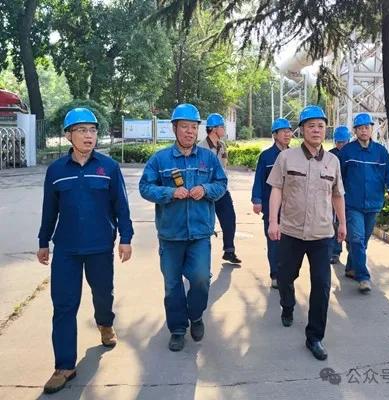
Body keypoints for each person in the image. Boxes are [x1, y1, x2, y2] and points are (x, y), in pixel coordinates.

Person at [37, 107, 133, 394]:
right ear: (69, 136)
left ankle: (105, 323)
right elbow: (49, 210)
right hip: (66, 248)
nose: (88, 135)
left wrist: (126, 238)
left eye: (92, 130)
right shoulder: (56, 171)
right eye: (81, 130)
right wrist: (43, 241)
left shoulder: (108, 167)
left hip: (100, 246)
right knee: (64, 305)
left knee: (103, 293)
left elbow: (121, 206)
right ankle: (64, 365)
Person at [139, 104, 227, 351]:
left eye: (193, 127)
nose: (190, 131)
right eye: (184, 127)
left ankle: (196, 315)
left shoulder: (208, 158)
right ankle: (177, 329)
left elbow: (221, 184)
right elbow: (145, 187)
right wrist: (170, 193)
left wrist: (206, 189)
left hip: (200, 233)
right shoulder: (160, 159)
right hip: (171, 234)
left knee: (200, 279)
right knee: (172, 285)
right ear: (174, 128)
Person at [267, 105, 346, 361]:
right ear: (301, 130)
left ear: (325, 130)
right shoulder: (286, 158)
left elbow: (337, 195)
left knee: (322, 285)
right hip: (291, 231)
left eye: (320, 126)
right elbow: (276, 189)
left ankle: (315, 337)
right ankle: (287, 305)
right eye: (311, 126)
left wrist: (342, 224)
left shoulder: (333, 162)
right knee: (285, 276)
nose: (316, 130)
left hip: (322, 233)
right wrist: (273, 221)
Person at [338, 112, 389, 294]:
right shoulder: (347, 152)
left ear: (371, 129)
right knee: (357, 239)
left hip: (374, 204)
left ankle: (351, 267)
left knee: (363, 242)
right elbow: (337, 176)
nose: (364, 131)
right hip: (352, 204)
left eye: (366, 127)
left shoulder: (380, 152)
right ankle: (363, 277)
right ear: (355, 131)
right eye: (360, 128)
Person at [251, 117, 293, 289]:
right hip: (272, 207)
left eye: (289, 131)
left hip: (291, 208)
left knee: (290, 244)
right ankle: (275, 274)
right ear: (275, 135)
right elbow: (259, 179)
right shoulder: (266, 156)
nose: (287, 134)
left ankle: (287, 273)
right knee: (274, 242)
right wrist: (257, 200)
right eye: (283, 132)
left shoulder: (294, 155)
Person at [199, 113, 242, 264]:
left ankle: (229, 251)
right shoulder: (201, 148)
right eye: (222, 126)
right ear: (213, 129)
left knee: (229, 219)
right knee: (206, 225)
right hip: (206, 191)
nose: (224, 129)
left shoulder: (222, 146)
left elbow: (224, 166)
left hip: (222, 190)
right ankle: (201, 259)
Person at [328, 125, 351, 265]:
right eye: (338, 142)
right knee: (335, 224)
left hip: (351, 195)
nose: (341, 145)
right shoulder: (330, 156)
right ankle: (335, 252)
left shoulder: (353, 153)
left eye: (344, 142)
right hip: (335, 195)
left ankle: (352, 254)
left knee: (350, 225)